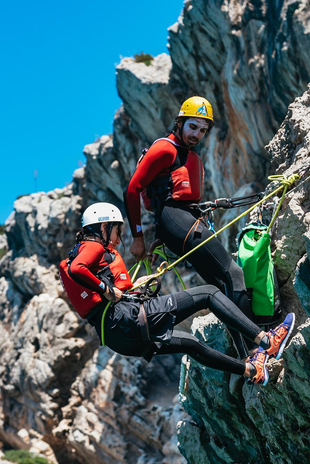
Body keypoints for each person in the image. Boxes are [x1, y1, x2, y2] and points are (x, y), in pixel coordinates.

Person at [58, 202, 295, 385]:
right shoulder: (93, 246)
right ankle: (267, 341)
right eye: (116, 232)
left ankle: (252, 371)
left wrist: (131, 288)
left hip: (116, 336)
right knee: (209, 294)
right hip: (126, 317)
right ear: (103, 226)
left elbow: (93, 285)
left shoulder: (83, 252)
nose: (118, 240)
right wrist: (108, 290)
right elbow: (78, 269)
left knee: (190, 344)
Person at [123, 96, 258, 358]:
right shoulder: (165, 149)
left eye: (202, 130)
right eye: (192, 127)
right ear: (180, 122)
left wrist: (164, 236)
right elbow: (132, 190)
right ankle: (257, 346)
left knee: (222, 288)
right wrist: (137, 237)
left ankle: (246, 354)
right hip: (176, 219)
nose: (197, 134)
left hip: (180, 222)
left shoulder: (185, 154)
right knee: (234, 273)